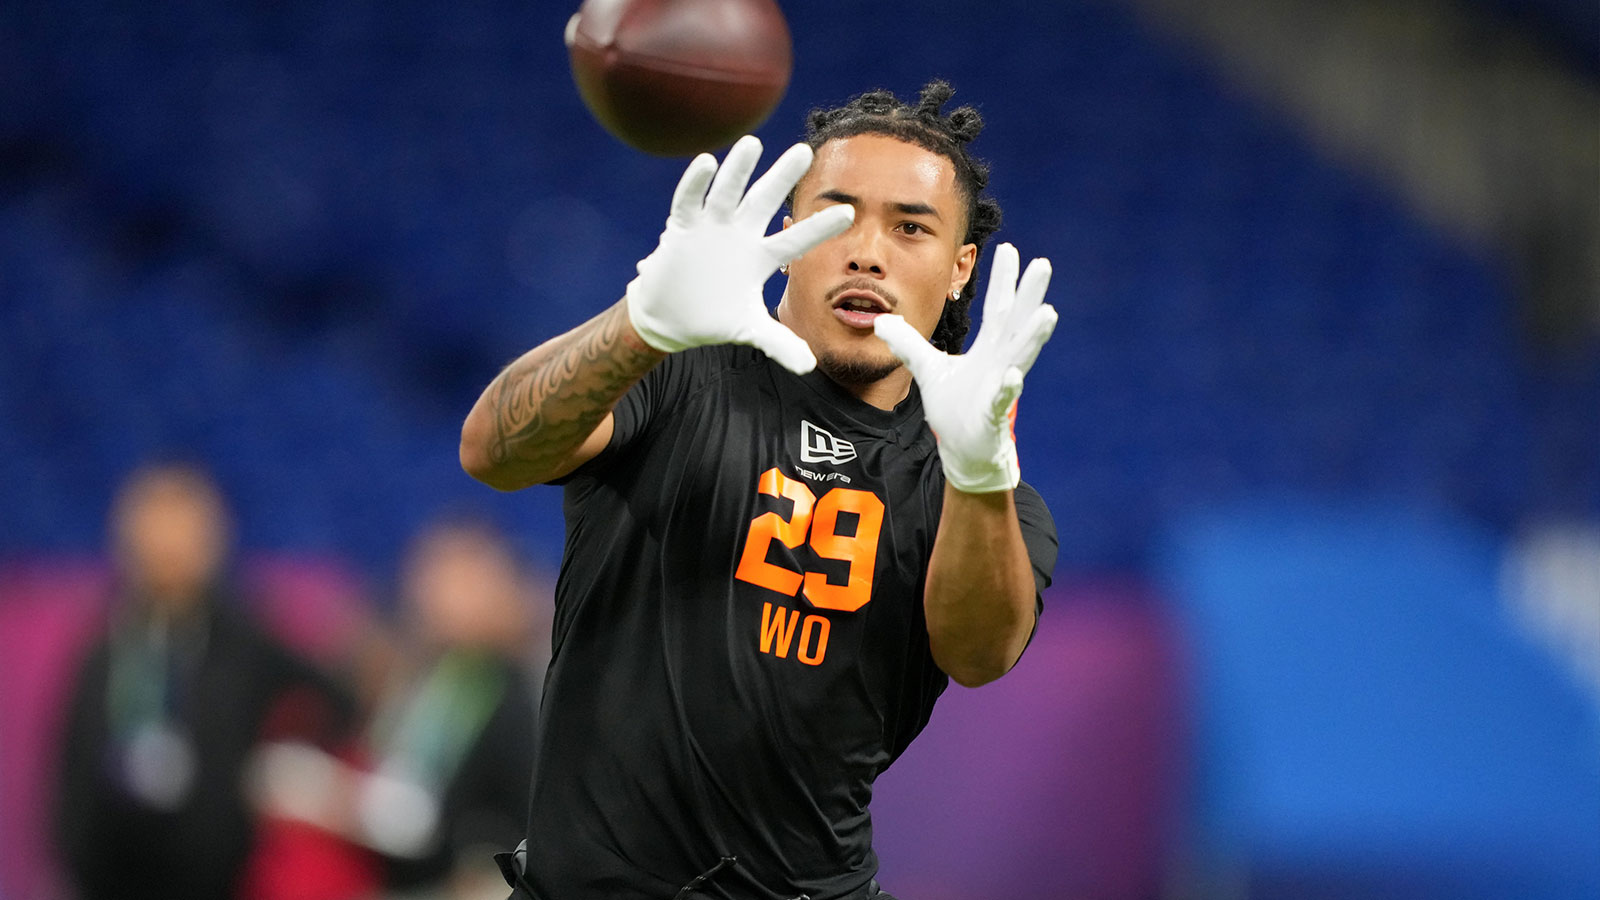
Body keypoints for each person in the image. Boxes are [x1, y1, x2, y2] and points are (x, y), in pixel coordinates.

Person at [459, 81, 1059, 900]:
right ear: (787, 230)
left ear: (962, 270)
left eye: (910, 227)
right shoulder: (675, 369)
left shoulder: (980, 484)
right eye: (838, 216)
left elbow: (981, 655)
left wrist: (979, 474)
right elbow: (492, 451)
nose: (867, 252)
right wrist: (641, 323)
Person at [53, 462, 360, 900]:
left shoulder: (244, 643)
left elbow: (334, 701)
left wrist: (286, 771)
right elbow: (74, 779)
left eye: (184, 531)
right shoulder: (105, 651)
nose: (169, 550)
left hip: (217, 878)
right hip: (113, 876)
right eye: (155, 531)